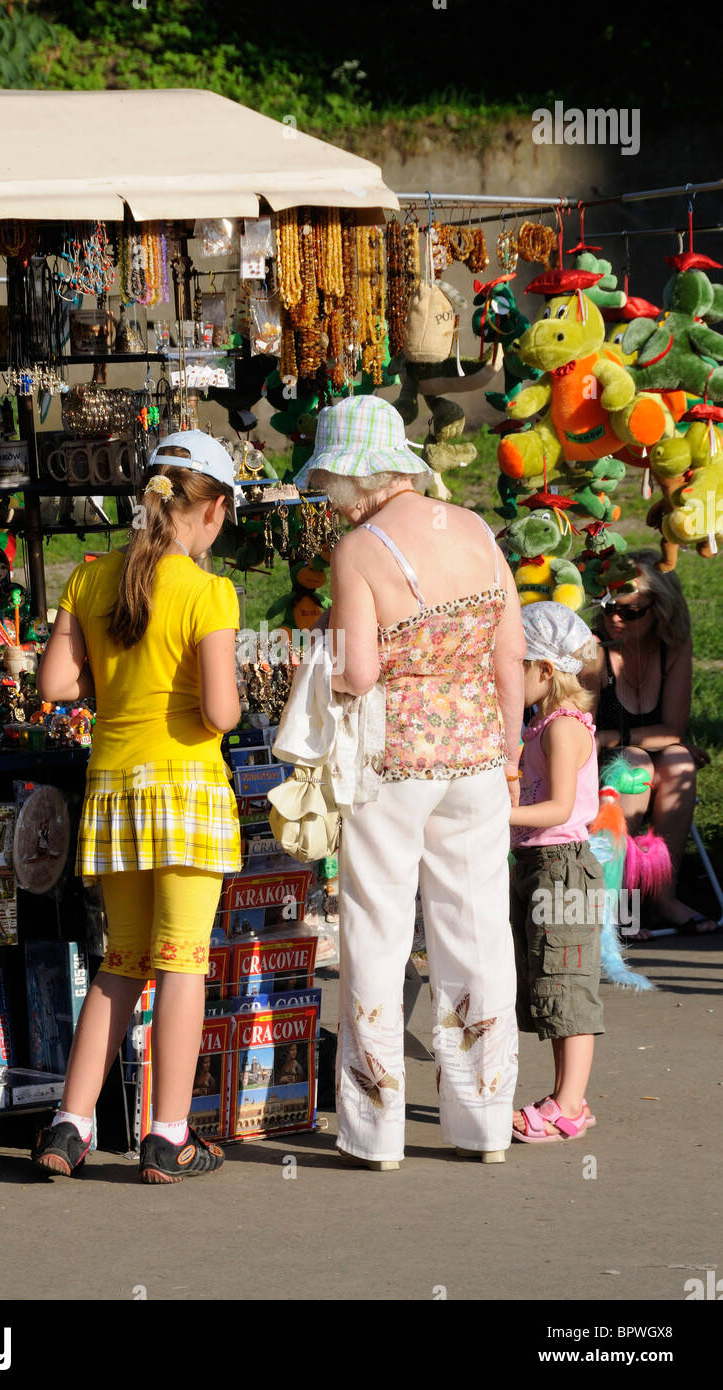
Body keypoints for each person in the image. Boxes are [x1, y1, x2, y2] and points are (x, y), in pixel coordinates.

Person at [296, 393, 527, 1168]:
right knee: (476, 932)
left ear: (354, 475)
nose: (326, 495)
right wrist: (508, 750)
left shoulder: (360, 550)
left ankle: (374, 1130)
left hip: (391, 760)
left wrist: (318, 677)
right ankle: (484, 1121)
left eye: (328, 479)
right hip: (474, 755)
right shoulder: (473, 530)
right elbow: (508, 657)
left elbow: (358, 670)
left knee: (376, 931)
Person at [32, 432, 244, 1182]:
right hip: (187, 793)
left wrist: (116, 689)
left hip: (115, 789)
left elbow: (56, 686)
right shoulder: (207, 591)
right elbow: (220, 714)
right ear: (213, 510)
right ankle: (167, 1135)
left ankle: (69, 1125)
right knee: (182, 962)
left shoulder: (90, 580)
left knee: (118, 961)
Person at [509, 604, 605, 1143]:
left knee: (567, 985)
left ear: (545, 670)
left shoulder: (563, 728)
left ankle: (568, 1106)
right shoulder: (541, 724)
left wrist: (496, 816)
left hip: (562, 870)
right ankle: (567, 1096)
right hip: (537, 867)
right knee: (550, 982)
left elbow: (561, 809)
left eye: (515, 663)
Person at [586, 550, 716, 936]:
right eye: (609, 607)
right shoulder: (595, 648)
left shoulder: (672, 647)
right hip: (599, 763)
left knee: (677, 760)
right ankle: (618, 899)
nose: (615, 619)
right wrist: (624, 741)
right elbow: (584, 730)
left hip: (627, 748)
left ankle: (661, 894)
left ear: (661, 610)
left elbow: (672, 731)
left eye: (631, 611)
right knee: (635, 762)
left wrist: (616, 737)